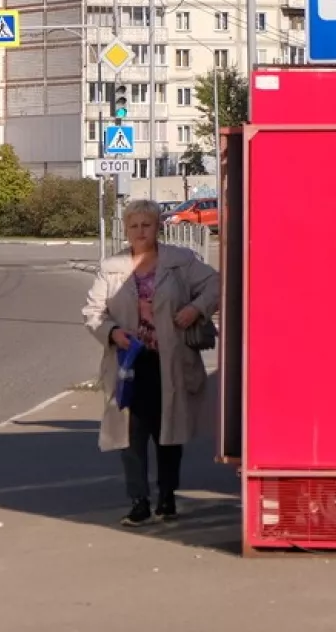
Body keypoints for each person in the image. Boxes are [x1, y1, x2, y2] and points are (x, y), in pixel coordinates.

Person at [82, 198, 221, 526]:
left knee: (168, 433)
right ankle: (139, 501)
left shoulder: (179, 261)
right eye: (134, 226)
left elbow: (215, 284)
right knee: (130, 435)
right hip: (129, 365)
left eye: (146, 224)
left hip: (170, 362)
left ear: (158, 227)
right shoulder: (112, 268)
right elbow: (93, 312)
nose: (140, 231)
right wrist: (112, 332)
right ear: (126, 230)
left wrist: (195, 309)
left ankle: (167, 498)